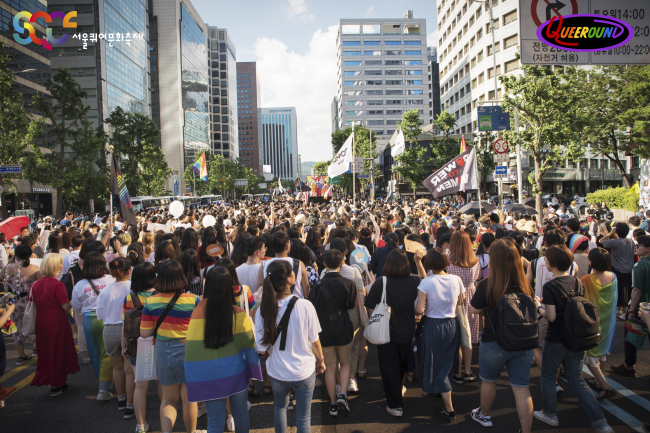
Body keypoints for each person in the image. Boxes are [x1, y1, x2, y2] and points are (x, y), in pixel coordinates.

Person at [534, 245, 614, 433]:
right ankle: (601, 423)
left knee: (547, 375)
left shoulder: (550, 286)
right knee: (577, 378)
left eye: (546, 259)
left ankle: (550, 414)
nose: (545, 261)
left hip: (556, 339)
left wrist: (538, 307)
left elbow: (551, 316)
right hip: (577, 337)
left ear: (551, 264)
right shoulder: (578, 282)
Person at [184, 266, 263, 433]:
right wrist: (253, 370)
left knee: (214, 420)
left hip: (208, 375)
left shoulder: (197, 312)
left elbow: (192, 349)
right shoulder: (238, 312)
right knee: (240, 413)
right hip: (236, 372)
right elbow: (249, 345)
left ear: (208, 286)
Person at [469, 240, 535, 432]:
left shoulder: (488, 284)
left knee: (489, 381)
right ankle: (526, 429)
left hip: (494, 341)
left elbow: (474, 309)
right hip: (523, 341)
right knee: (521, 387)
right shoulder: (525, 284)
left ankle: (484, 415)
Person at [254, 260, 325, 433]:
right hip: (303, 370)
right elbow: (315, 340)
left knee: (280, 407)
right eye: (292, 272)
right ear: (288, 279)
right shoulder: (305, 305)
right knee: (304, 416)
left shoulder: (263, 309)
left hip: (278, 371)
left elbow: (261, 349)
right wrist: (321, 360)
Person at [140, 260, 201, 433]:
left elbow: (144, 333)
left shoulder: (150, 302)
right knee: (189, 399)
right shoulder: (192, 300)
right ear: (180, 277)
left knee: (168, 399)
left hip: (163, 351)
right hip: (187, 350)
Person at [365, 248, 426, 417]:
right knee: (401, 364)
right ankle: (398, 389)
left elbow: (370, 306)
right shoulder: (414, 281)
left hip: (386, 332)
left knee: (388, 366)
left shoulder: (381, 282)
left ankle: (395, 404)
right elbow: (425, 282)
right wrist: (419, 262)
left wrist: (376, 317)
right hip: (407, 331)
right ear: (406, 264)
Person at [416, 247, 465, 422]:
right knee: (446, 361)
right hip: (452, 323)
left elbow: (419, 309)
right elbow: (462, 300)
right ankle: (442, 391)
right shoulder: (456, 279)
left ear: (429, 264)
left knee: (435, 362)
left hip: (433, 324)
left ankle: (449, 407)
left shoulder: (426, 283)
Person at [313, 249, 356, 416]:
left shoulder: (318, 285)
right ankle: (343, 395)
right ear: (341, 263)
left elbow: (313, 306)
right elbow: (351, 306)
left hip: (324, 331)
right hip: (344, 328)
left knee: (330, 368)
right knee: (345, 363)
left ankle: (332, 404)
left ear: (324, 264)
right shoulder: (348, 284)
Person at [29, 253, 80, 396]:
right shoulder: (57, 284)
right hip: (57, 320)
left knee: (47, 351)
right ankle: (57, 383)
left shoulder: (36, 284)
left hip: (42, 320)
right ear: (53, 266)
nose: (62, 265)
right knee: (59, 350)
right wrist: (73, 300)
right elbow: (65, 306)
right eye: (59, 262)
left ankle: (58, 382)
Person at [70, 251, 116, 400]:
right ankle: (109, 382)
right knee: (109, 351)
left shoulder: (80, 284)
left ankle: (102, 382)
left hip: (89, 320)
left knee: (95, 353)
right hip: (109, 317)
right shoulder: (111, 279)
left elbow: (75, 306)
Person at [122, 262, 160, 433]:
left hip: (136, 344)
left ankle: (141, 425)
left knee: (140, 386)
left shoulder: (129, 298)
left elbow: (125, 325)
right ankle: (164, 414)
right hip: (157, 343)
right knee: (162, 383)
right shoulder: (160, 296)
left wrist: (124, 346)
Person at [96, 257, 133, 418]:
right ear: (129, 271)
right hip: (128, 330)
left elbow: (100, 314)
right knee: (129, 370)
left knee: (117, 368)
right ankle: (130, 405)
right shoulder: (133, 287)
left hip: (109, 329)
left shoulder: (105, 290)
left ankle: (121, 399)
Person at [581, 248, 617, 400]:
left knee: (590, 356)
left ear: (591, 261)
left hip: (593, 321)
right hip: (609, 320)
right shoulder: (614, 276)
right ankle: (598, 380)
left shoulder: (586, 279)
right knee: (602, 353)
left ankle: (605, 386)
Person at [612, 235, 650, 378]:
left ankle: (629, 365)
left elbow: (637, 290)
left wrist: (632, 309)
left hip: (641, 308)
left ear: (648, 249)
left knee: (631, 335)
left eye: (639, 245)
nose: (636, 247)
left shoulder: (640, 265)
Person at [446, 231, 480, 383]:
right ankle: (468, 370)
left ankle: (457, 372)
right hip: (471, 297)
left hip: (455, 297)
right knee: (468, 336)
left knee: (457, 336)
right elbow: (478, 278)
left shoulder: (449, 260)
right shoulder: (475, 260)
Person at [2, 244, 42, 364]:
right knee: (33, 324)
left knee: (16, 327)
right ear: (30, 255)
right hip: (29, 302)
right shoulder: (35, 268)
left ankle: (21, 355)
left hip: (13, 302)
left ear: (16, 255)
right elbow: (41, 285)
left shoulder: (9, 267)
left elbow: (0, 276)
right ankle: (36, 349)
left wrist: (11, 259)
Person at [600, 222, 635, 319]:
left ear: (616, 231)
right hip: (628, 269)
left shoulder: (615, 242)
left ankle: (620, 310)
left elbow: (601, 241)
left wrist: (610, 234)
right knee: (626, 291)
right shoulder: (630, 241)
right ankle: (624, 311)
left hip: (617, 269)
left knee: (617, 290)